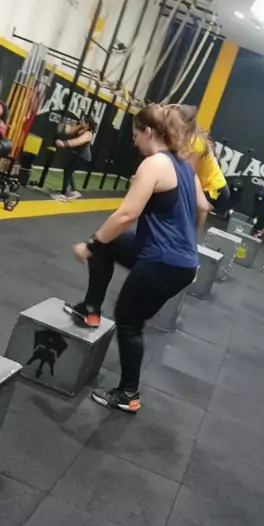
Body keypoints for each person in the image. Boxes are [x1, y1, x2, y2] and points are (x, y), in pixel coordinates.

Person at [67, 103, 210, 413]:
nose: (134, 142)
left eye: (135, 136)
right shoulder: (183, 164)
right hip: (178, 259)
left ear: (148, 132)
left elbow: (126, 215)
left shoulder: (154, 164)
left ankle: (128, 393)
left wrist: (90, 246)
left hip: (165, 263)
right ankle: (91, 308)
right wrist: (189, 240)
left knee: (129, 320)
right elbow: (203, 207)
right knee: (108, 242)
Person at [175, 105, 230, 213]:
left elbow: (188, 173)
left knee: (187, 212)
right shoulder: (185, 139)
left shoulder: (196, 142)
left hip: (215, 189)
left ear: (185, 123)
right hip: (206, 187)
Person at [52, 113, 95, 202]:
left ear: (87, 124)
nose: (80, 121)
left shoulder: (88, 134)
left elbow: (78, 141)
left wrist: (64, 144)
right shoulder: (81, 128)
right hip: (78, 156)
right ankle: (74, 192)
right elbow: (71, 130)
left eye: (82, 120)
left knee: (68, 170)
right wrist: (62, 127)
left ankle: (63, 194)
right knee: (68, 170)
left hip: (83, 158)